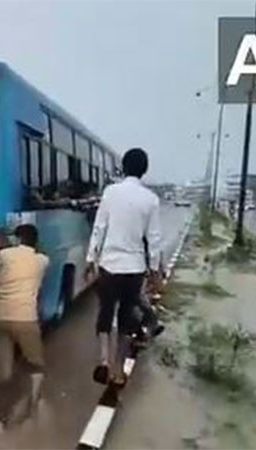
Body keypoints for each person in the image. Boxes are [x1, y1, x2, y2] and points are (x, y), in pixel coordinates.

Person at [85, 148, 162, 387]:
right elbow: (155, 237)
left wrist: (91, 258)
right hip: (134, 268)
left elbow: (99, 228)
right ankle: (118, 371)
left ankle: (104, 361)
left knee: (105, 313)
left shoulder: (110, 192)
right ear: (144, 170)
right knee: (126, 317)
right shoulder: (151, 199)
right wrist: (155, 270)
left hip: (109, 265)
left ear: (123, 168)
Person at [0, 224, 49, 427]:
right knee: (36, 364)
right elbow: (41, 254)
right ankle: (33, 409)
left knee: (3, 373)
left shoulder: (3, 256)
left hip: (0, 317)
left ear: (16, 238)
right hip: (26, 318)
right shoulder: (42, 260)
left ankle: (1, 420)